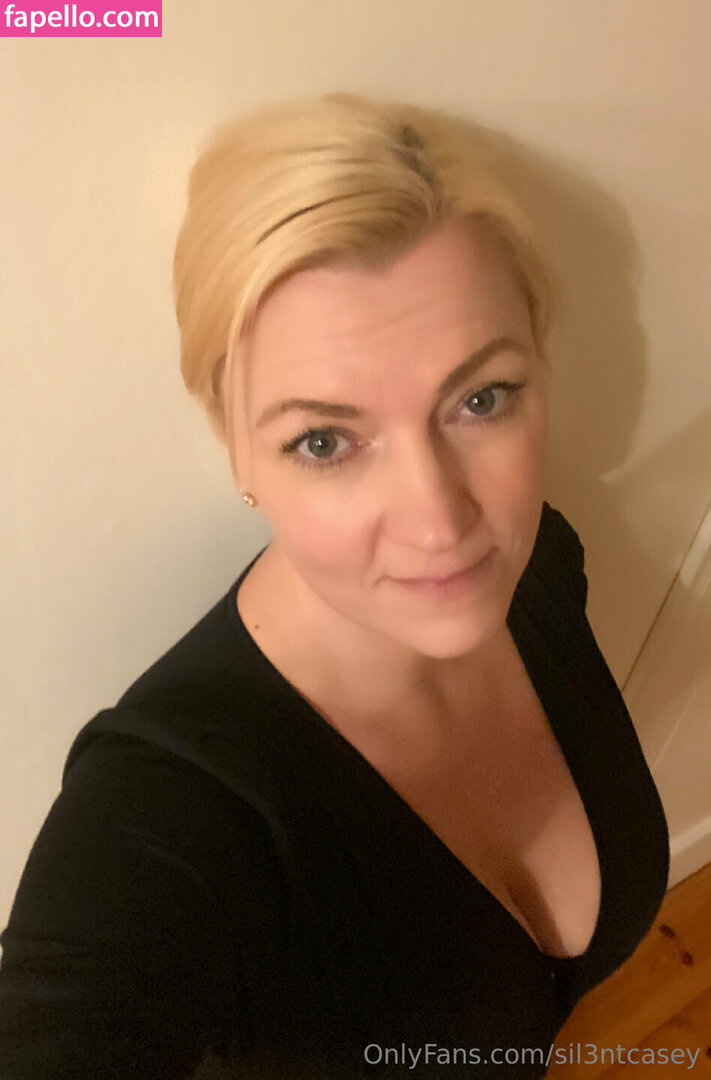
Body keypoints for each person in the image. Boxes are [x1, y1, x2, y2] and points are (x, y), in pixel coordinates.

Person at [0, 91, 669, 1079]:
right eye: (323, 441)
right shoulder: (172, 813)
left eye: (481, 398)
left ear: (542, 368)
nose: (439, 523)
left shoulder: (542, 570)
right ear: (237, 450)